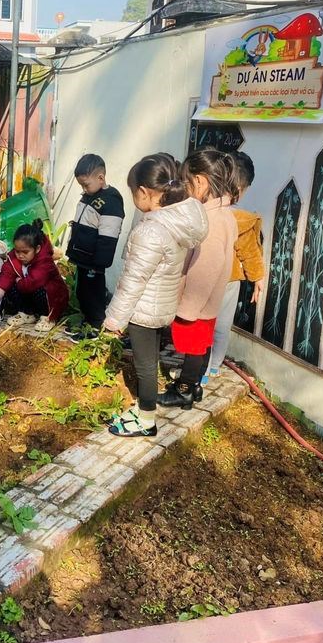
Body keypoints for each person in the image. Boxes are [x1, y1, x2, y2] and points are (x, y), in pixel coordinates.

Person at [102, 155, 208, 437]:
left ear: (144, 192)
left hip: (144, 309)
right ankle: (144, 411)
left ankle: (146, 419)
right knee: (149, 361)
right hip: (162, 305)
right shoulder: (175, 223)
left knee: (145, 366)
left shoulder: (150, 231)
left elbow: (133, 281)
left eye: (133, 192)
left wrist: (114, 320)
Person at [159, 147, 239, 410]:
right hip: (208, 301)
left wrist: (188, 307)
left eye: (187, 182)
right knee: (201, 345)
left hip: (198, 302)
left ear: (200, 181)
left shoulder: (212, 220)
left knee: (193, 346)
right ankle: (194, 387)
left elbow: (205, 268)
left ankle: (184, 390)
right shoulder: (224, 213)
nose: (185, 188)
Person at [206, 151, 264, 383]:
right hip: (230, 279)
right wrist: (258, 278)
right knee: (222, 325)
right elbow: (249, 252)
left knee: (202, 323)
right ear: (241, 188)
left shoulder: (204, 210)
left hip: (204, 276)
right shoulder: (242, 218)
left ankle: (198, 367)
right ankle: (214, 367)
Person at [65, 154, 126, 337]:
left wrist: (100, 262)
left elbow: (108, 234)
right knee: (82, 291)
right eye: (81, 186)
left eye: (86, 185)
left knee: (93, 293)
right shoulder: (89, 196)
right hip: (82, 256)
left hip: (94, 260)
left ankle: (96, 324)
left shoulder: (111, 200)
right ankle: (88, 320)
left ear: (101, 177)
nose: (84, 189)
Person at [0, 219, 69, 333]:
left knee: (40, 289)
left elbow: (32, 283)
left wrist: (18, 281)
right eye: (17, 251)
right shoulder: (14, 257)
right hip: (28, 290)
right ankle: (27, 313)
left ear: (37, 249)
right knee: (9, 283)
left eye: (25, 252)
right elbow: (5, 277)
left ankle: (48, 317)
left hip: (52, 299)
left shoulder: (45, 261)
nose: (20, 256)